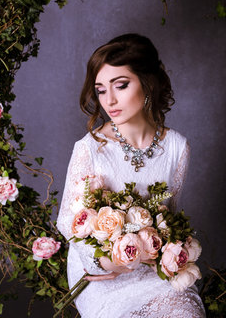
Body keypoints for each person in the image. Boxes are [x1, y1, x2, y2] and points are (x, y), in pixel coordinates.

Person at [57, 34, 205, 317]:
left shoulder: (177, 147)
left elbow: (168, 215)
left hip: (151, 271)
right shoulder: (90, 148)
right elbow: (67, 222)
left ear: (148, 83)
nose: (109, 100)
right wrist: (109, 263)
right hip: (99, 272)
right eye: (100, 90)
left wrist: (164, 255)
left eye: (121, 85)